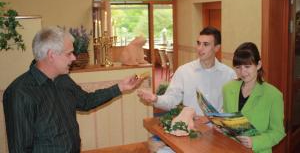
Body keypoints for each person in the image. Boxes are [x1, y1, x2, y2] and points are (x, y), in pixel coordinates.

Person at [3, 27, 145, 153]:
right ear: (51, 55)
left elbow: (85, 101)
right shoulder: (19, 93)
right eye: (69, 53)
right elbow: (19, 149)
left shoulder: (62, 79)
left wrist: (120, 87)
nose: (74, 58)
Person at [137, 27, 236, 152]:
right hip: (189, 128)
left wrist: (212, 119)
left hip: (217, 131)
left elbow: (232, 109)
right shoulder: (184, 71)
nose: (200, 48)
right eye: (198, 43)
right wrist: (155, 98)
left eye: (206, 44)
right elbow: (171, 99)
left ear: (217, 48)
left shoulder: (229, 75)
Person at [222, 42, 286, 153]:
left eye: (247, 66)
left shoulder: (273, 95)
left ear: (259, 65)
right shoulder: (227, 88)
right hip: (230, 148)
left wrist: (255, 141)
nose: (242, 72)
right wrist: (221, 126)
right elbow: (227, 120)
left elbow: (278, 132)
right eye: (238, 67)